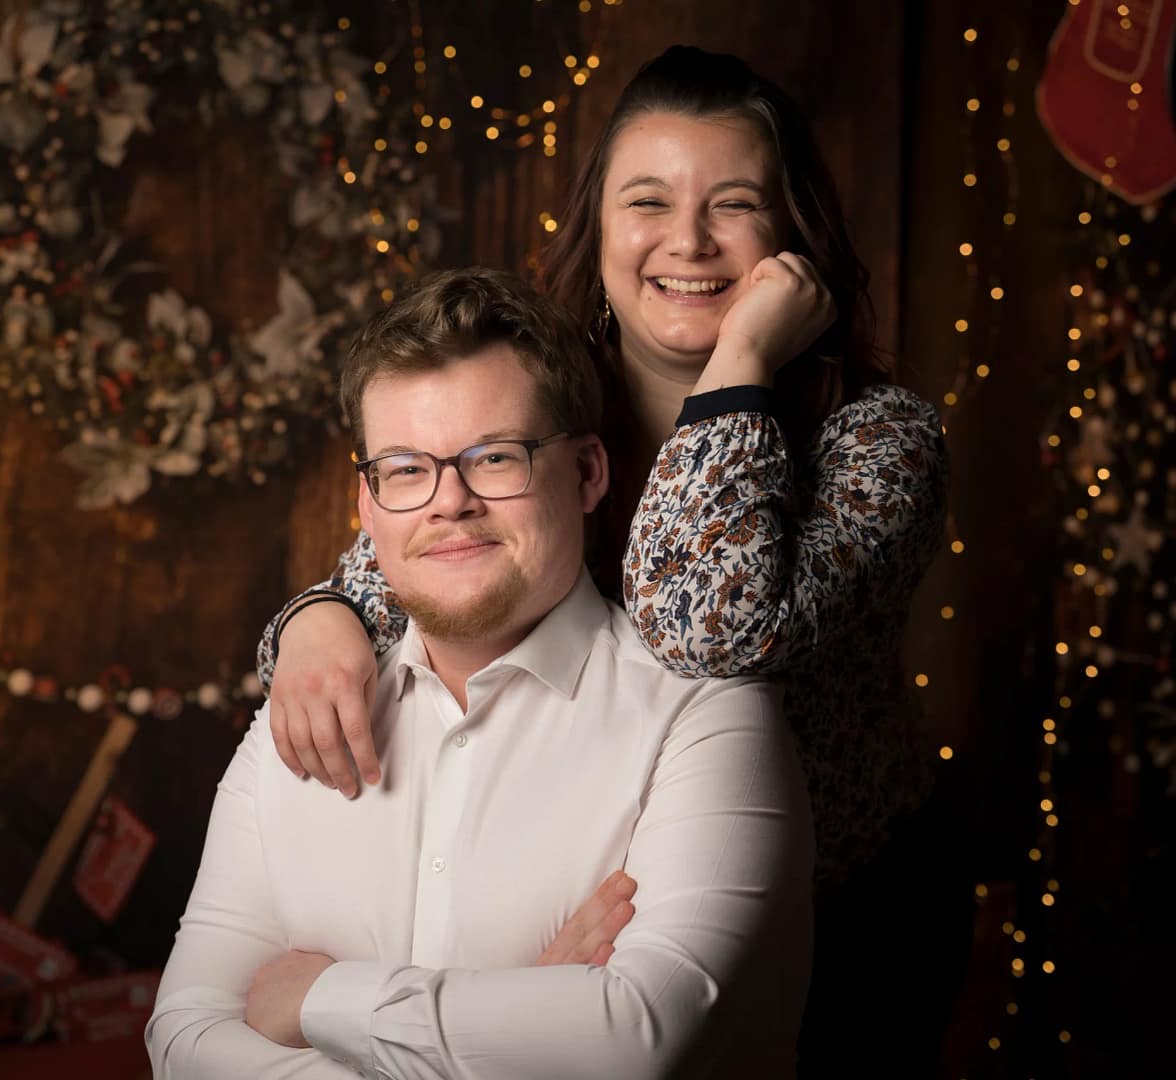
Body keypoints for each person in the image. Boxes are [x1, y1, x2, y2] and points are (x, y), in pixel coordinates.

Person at [257, 47, 964, 1074]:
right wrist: (315, 620)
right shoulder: (539, 405)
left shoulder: (880, 442)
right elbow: (401, 571)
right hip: (599, 912)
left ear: (791, 237)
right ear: (597, 229)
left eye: (732, 204)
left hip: (840, 912)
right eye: (647, 201)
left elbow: (705, 633)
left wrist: (738, 368)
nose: (686, 240)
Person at [147, 268, 813, 1079]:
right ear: (366, 505)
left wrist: (323, 1000)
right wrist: (514, 1033)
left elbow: (640, 1040)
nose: (448, 502)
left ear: (587, 473)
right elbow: (182, 1042)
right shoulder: (299, 717)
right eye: (404, 468)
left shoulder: (707, 717)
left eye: (495, 458)